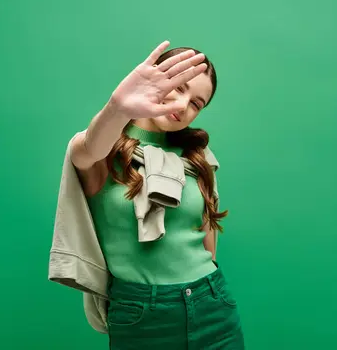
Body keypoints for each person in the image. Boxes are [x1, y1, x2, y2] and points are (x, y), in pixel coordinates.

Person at [69, 40, 245, 349]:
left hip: (211, 305)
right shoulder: (102, 151)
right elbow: (88, 148)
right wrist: (119, 107)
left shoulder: (196, 157)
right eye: (179, 87)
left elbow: (207, 241)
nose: (183, 105)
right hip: (141, 316)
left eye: (196, 103)